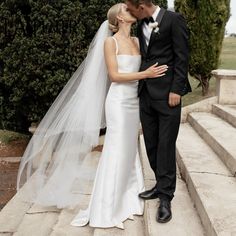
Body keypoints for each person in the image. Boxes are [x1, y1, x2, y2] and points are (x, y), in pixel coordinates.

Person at [16, 3, 167, 230]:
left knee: (130, 149)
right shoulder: (110, 42)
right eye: (128, 10)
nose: (133, 11)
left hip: (135, 103)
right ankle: (107, 207)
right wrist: (145, 74)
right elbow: (115, 76)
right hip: (117, 103)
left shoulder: (136, 42)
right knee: (115, 148)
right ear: (120, 18)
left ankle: (128, 198)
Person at [125, 0, 191, 223]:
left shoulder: (174, 20)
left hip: (168, 96)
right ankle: (160, 184)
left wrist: (177, 90)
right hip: (146, 95)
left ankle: (165, 197)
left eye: (130, 7)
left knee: (165, 145)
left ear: (141, 5)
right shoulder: (139, 24)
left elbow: (182, 57)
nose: (128, 11)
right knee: (151, 144)